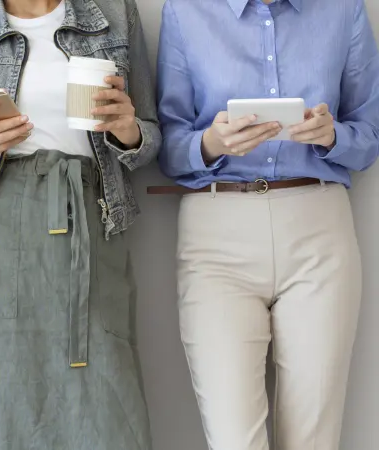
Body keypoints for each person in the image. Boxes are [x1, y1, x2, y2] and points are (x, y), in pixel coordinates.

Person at [0, 0, 160, 448]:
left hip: (88, 230)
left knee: (101, 405)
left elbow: (148, 142)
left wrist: (128, 131)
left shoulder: (116, 18)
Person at [156, 0, 379, 449]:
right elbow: (167, 147)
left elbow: (369, 138)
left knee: (313, 440)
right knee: (235, 440)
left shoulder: (344, 10)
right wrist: (211, 143)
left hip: (319, 230)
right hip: (216, 237)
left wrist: (333, 136)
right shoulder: (185, 12)